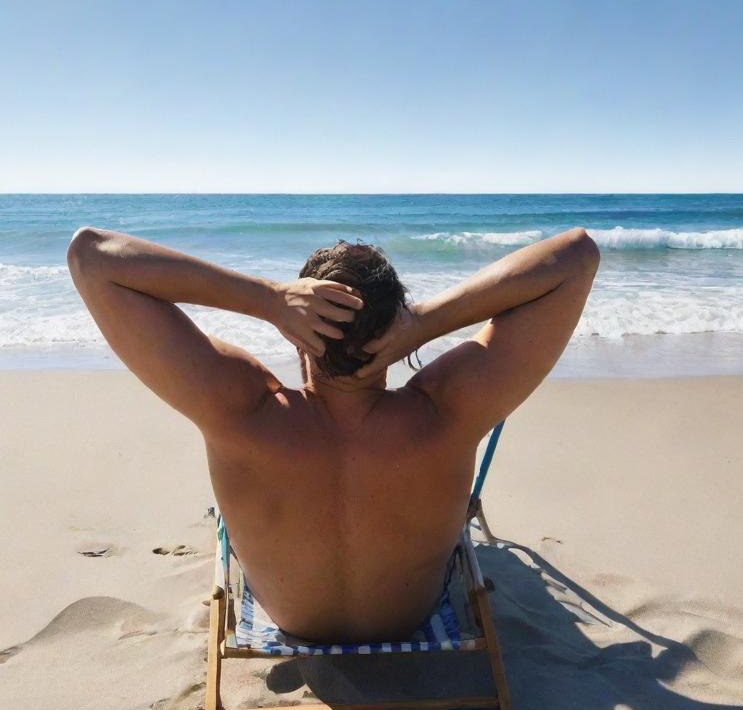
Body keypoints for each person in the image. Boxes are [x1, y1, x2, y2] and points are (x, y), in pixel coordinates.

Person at [67, 226, 599, 642]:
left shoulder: (240, 410)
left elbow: (92, 255)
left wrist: (269, 298)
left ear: (298, 336)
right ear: (394, 329)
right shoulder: (448, 413)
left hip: (292, 619)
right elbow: (576, 254)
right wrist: (423, 322)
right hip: (406, 622)